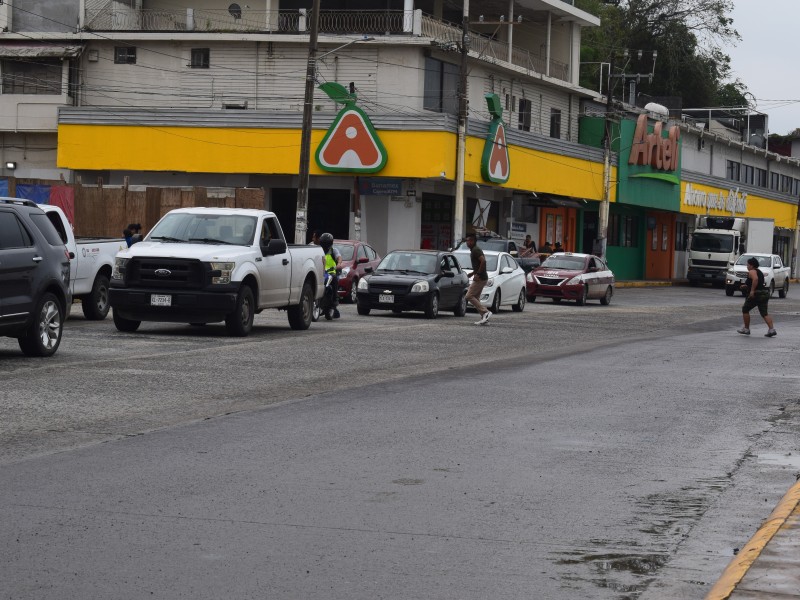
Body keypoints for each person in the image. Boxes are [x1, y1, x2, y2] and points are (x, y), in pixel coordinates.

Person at [738, 256, 777, 337]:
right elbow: (758, 283)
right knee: (764, 313)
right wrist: (746, 286)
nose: (747, 266)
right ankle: (771, 329)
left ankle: (746, 329)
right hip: (764, 293)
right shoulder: (759, 271)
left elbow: (755, 279)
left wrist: (752, 291)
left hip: (757, 294)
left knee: (745, 309)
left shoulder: (752, 271)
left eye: (748, 265)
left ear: (752, 265)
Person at [465, 232, 491, 325]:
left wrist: (478, 274)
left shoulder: (476, 250)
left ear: (473, 241)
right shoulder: (474, 250)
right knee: (476, 297)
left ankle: (486, 312)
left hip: (481, 278)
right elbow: (478, 264)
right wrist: (472, 273)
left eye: (468, 241)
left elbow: (483, 261)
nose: (467, 242)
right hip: (481, 277)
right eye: (466, 241)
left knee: (469, 296)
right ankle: (485, 318)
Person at [319, 232, 342, 319]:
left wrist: (339, 263)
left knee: (335, 280)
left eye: (326, 243)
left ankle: (335, 299)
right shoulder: (318, 250)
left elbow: (339, 257)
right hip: (321, 273)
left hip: (331, 273)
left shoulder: (333, 250)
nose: (325, 245)